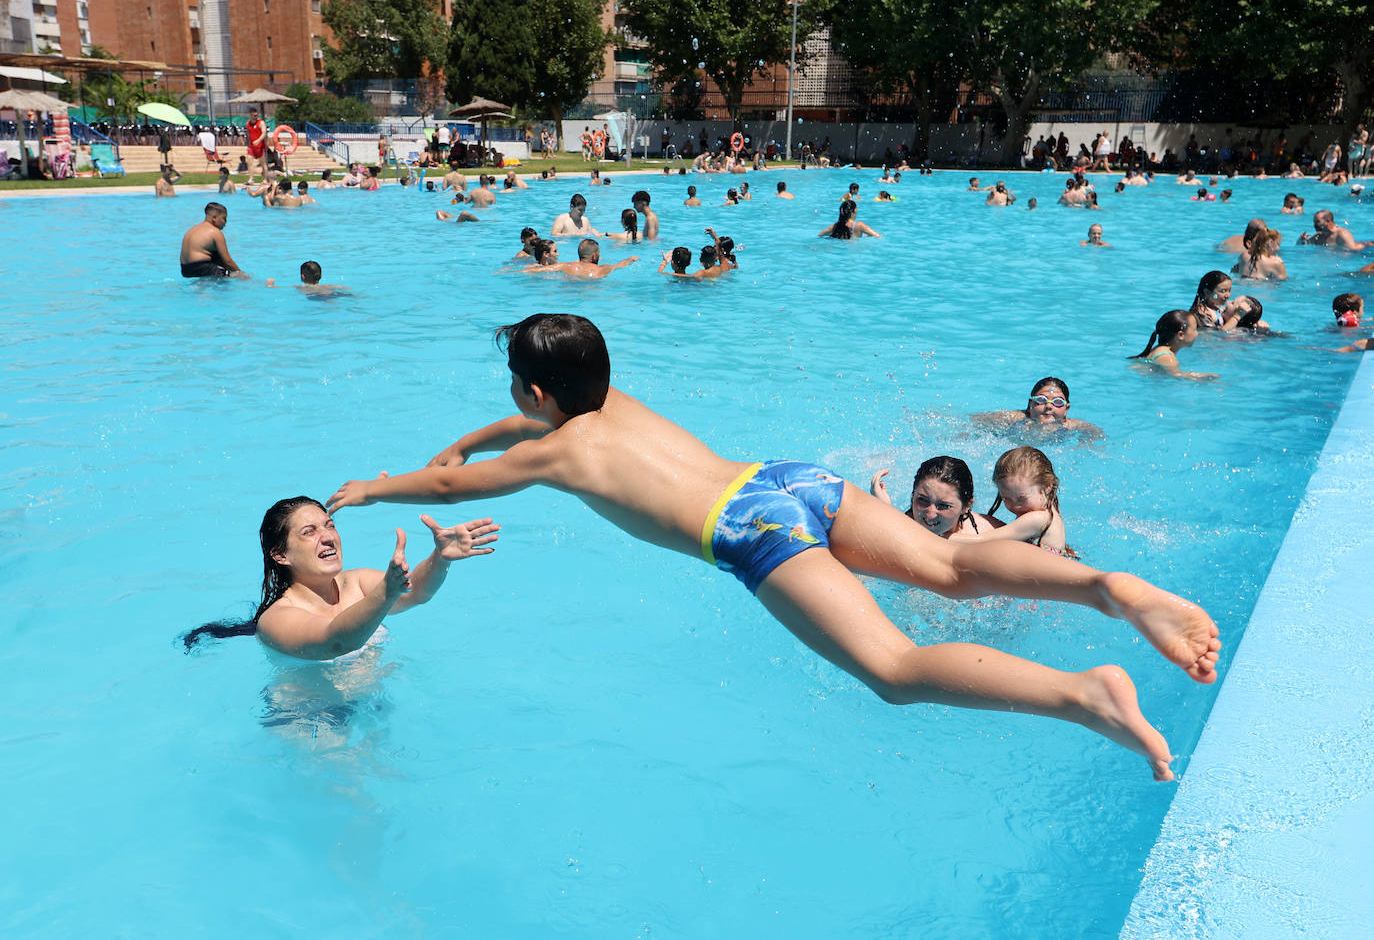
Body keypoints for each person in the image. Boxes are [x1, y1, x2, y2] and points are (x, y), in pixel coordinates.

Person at [327, 314, 1223, 781]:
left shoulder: (556, 450)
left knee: (895, 669)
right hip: (784, 478)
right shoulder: (608, 401)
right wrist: (481, 438)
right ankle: (1108, 587)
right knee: (952, 569)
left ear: (531, 391)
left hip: (750, 532)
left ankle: (1084, 696)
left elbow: (447, 490)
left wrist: (376, 487)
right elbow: (520, 421)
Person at [179, 497, 497, 659]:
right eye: (310, 532)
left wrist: (439, 558)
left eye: (330, 525)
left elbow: (416, 595)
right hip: (311, 721)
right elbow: (337, 642)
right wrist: (386, 592)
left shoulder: (356, 583)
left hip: (372, 706)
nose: (328, 537)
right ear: (281, 555)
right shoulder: (277, 619)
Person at [968, 447, 1076, 557]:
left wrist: (949, 539)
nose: (1015, 506)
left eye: (1022, 498)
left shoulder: (1038, 518)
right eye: (1006, 498)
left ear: (1047, 485)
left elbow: (980, 540)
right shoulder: (1048, 507)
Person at [870, 456, 1003, 539]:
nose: (930, 514)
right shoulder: (894, 533)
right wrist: (883, 512)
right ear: (913, 495)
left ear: (966, 506)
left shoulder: (987, 532)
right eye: (922, 500)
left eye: (944, 506)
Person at [971, 377, 1103, 437]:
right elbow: (975, 420)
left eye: (1057, 402)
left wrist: (1084, 442)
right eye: (1041, 400)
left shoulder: (1071, 425)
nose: (1048, 406)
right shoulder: (1016, 417)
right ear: (1030, 404)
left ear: (1066, 409)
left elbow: (1096, 433)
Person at [1131, 310, 1217, 379]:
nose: (1197, 334)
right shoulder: (1168, 358)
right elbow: (1177, 376)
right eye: (1194, 330)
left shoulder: (1159, 349)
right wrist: (1205, 377)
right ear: (1180, 335)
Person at [179, 202, 244, 278]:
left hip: (186, 270)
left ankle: (200, 285)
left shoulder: (192, 230)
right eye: (224, 218)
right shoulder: (215, 232)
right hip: (203, 268)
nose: (225, 223)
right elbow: (228, 261)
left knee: (217, 258)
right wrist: (241, 273)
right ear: (214, 218)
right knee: (235, 276)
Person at [522, 238, 637, 278]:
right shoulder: (603, 269)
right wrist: (630, 259)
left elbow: (537, 270)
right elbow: (619, 265)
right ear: (594, 255)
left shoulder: (566, 266)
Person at [1298, 209, 1368, 249]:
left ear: (1328, 220)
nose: (1314, 225)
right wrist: (1301, 240)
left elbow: (1351, 252)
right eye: (1314, 222)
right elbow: (1300, 246)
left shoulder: (1342, 234)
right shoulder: (1319, 236)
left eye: (1317, 222)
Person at [245, 107, 267, 182]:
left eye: (256, 114)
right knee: (249, 161)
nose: (255, 116)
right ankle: (251, 179)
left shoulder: (261, 123)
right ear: (250, 114)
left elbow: (264, 133)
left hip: (260, 146)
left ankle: (265, 178)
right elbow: (248, 134)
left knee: (263, 163)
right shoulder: (248, 123)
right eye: (254, 114)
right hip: (252, 146)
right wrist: (248, 145)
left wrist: (258, 140)